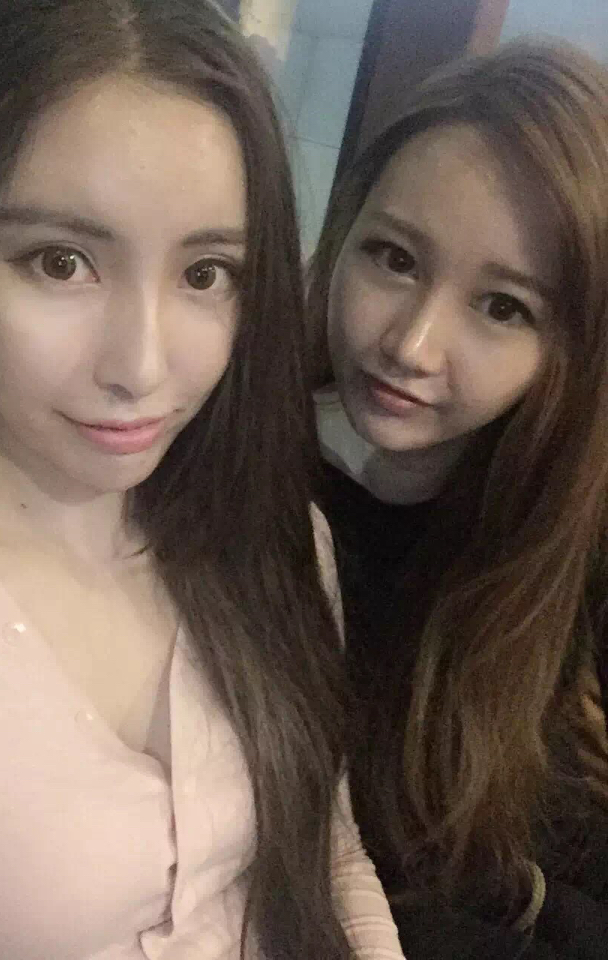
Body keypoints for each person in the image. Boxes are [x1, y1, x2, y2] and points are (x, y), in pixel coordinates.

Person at [0, 1, 404, 958]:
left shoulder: (277, 538)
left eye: (205, 274)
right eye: (62, 262)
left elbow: (328, 855)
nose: (142, 366)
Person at [309, 41, 608, 960]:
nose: (412, 345)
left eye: (503, 307)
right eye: (394, 258)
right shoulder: (234, 485)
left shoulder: (574, 542)